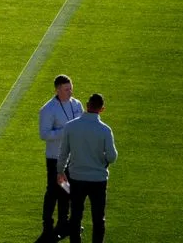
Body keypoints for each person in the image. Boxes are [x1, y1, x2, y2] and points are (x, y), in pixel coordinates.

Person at [57, 93, 118, 243]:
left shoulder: (71, 126)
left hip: (77, 178)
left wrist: (60, 171)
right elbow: (112, 157)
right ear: (102, 109)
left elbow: (63, 152)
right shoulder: (105, 130)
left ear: (86, 104)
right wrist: (101, 160)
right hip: (98, 179)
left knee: (76, 216)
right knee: (98, 218)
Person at [36, 75, 84, 242]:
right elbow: (44, 134)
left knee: (67, 190)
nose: (70, 92)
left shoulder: (76, 104)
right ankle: (47, 226)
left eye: (71, 88)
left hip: (73, 158)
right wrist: (65, 132)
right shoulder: (48, 109)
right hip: (56, 160)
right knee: (53, 192)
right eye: (66, 89)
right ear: (57, 89)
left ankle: (64, 223)